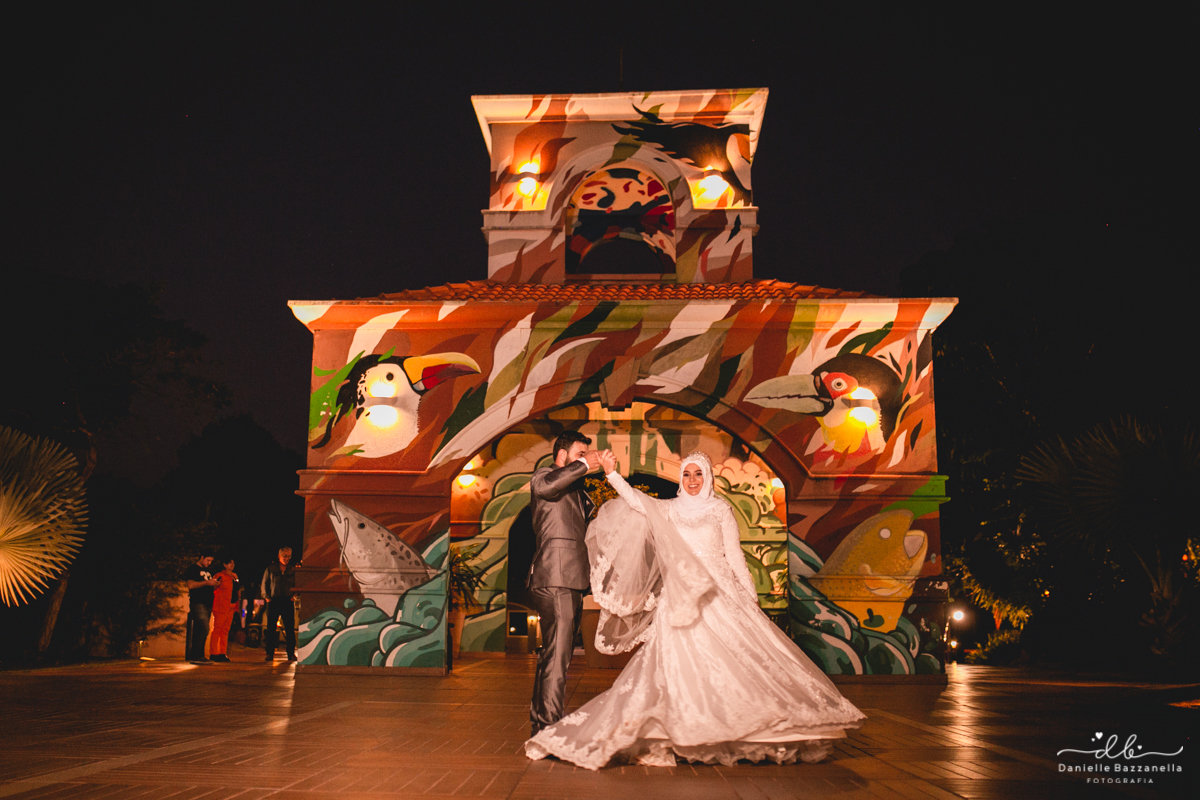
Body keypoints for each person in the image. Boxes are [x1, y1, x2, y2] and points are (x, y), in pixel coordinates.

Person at [525, 451, 865, 769]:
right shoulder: (670, 509)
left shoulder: (720, 509)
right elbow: (637, 502)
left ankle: (743, 728)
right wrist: (613, 475)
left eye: (697, 474)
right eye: (686, 474)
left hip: (721, 593)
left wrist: (750, 598)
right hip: (681, 598)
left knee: (738, 661)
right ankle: (685, 728)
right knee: (680, 665)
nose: (691, 480)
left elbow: (735, 556)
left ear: (708, 477)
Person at [527, 431, 603, 736]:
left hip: (571, 578)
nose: (586, 459)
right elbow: (546, 485)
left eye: (586, 455)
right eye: (579, 454)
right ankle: (548, 729)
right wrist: (584, 465)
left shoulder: (577, 492)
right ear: (562, 456)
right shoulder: (544, 478)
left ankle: (541, 724)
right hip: (555, 576)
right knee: (558, 657)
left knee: (555, 655)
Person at [259, 547, 297, 662]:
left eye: (289, 556)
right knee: (271, 629)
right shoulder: (271, 568)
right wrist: (267, 597)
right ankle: (269, 653)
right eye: (284, 556)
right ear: (279, 556)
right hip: (274, 600)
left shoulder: (293, 570)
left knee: (289, 629)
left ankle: (291, 653)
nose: (287, 558)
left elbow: (298, 583)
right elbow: (264, 583)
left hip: (287, 600)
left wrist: (294, 596)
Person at [183, 551, 218, 664]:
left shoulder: (208, 571)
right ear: (202, 557)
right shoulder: (193, 569)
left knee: (201, 628)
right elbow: (191, 585)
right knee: (203, 627)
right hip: (198, 602)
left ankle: (198, 655)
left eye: (211, 561)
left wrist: (215, 584)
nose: (209, 563)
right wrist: (206, 583)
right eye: (208, 560)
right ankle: (197, 655)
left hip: (208, 603)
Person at [208, 555, 240, 663]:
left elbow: (236, 591)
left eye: (233, 563)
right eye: (230, 563)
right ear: (224, 564)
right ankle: (214, 653)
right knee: (217, 630)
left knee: (225, 630)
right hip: (221, 606)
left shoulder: (234, 576)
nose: (232, 565)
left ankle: (222, 653)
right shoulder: (220, 575)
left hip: (231, 606)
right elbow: (213, 587)